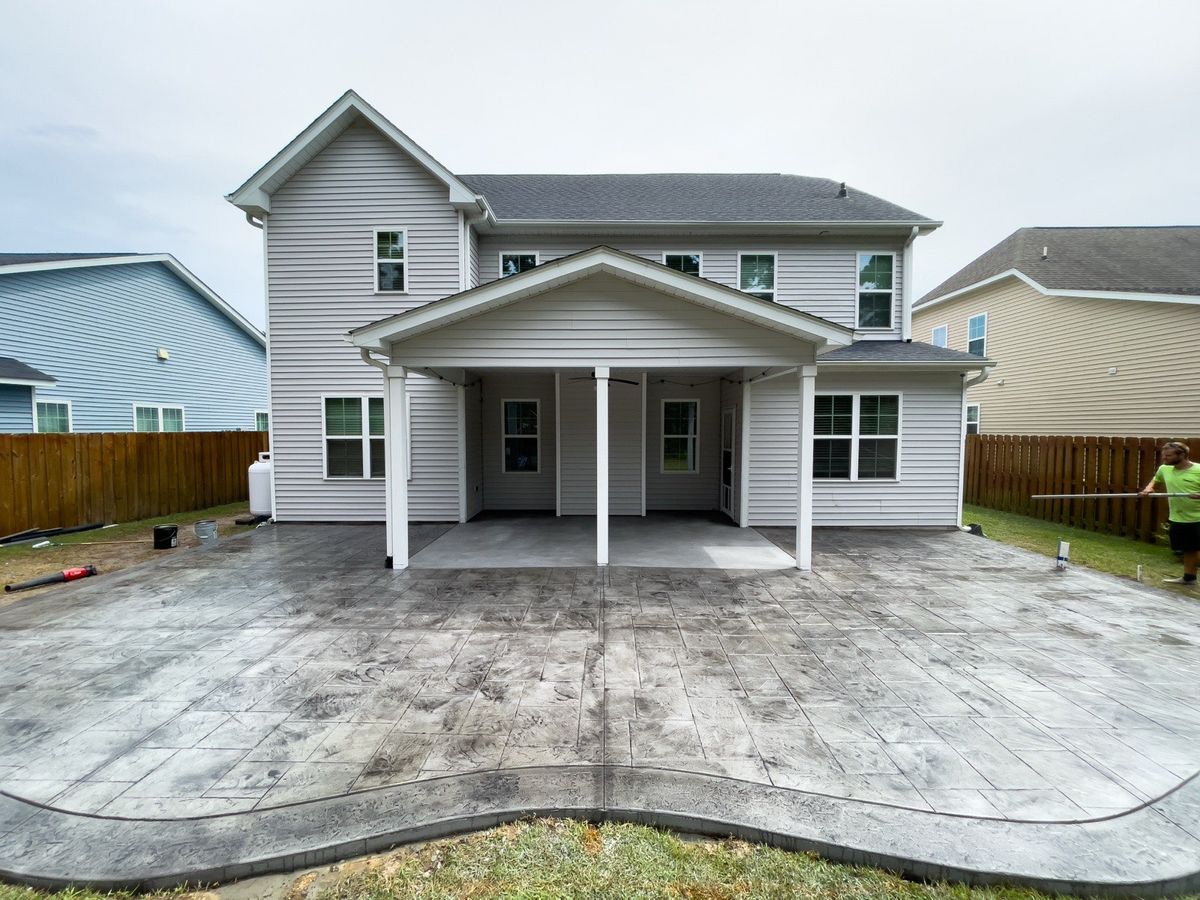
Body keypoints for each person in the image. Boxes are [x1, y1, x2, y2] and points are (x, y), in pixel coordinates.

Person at [1140, 441, 1200, 586]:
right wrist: (1149, 489)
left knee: (1195, 548)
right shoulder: (1164, 469)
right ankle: (1189, 578)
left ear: (1183, 455)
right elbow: (1155, 481)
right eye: (1163, 455)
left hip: (1198, 517)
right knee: (1188, 549)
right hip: (1178, 517)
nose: (1164, 458)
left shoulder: (1198, 470)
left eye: (1168, 455)